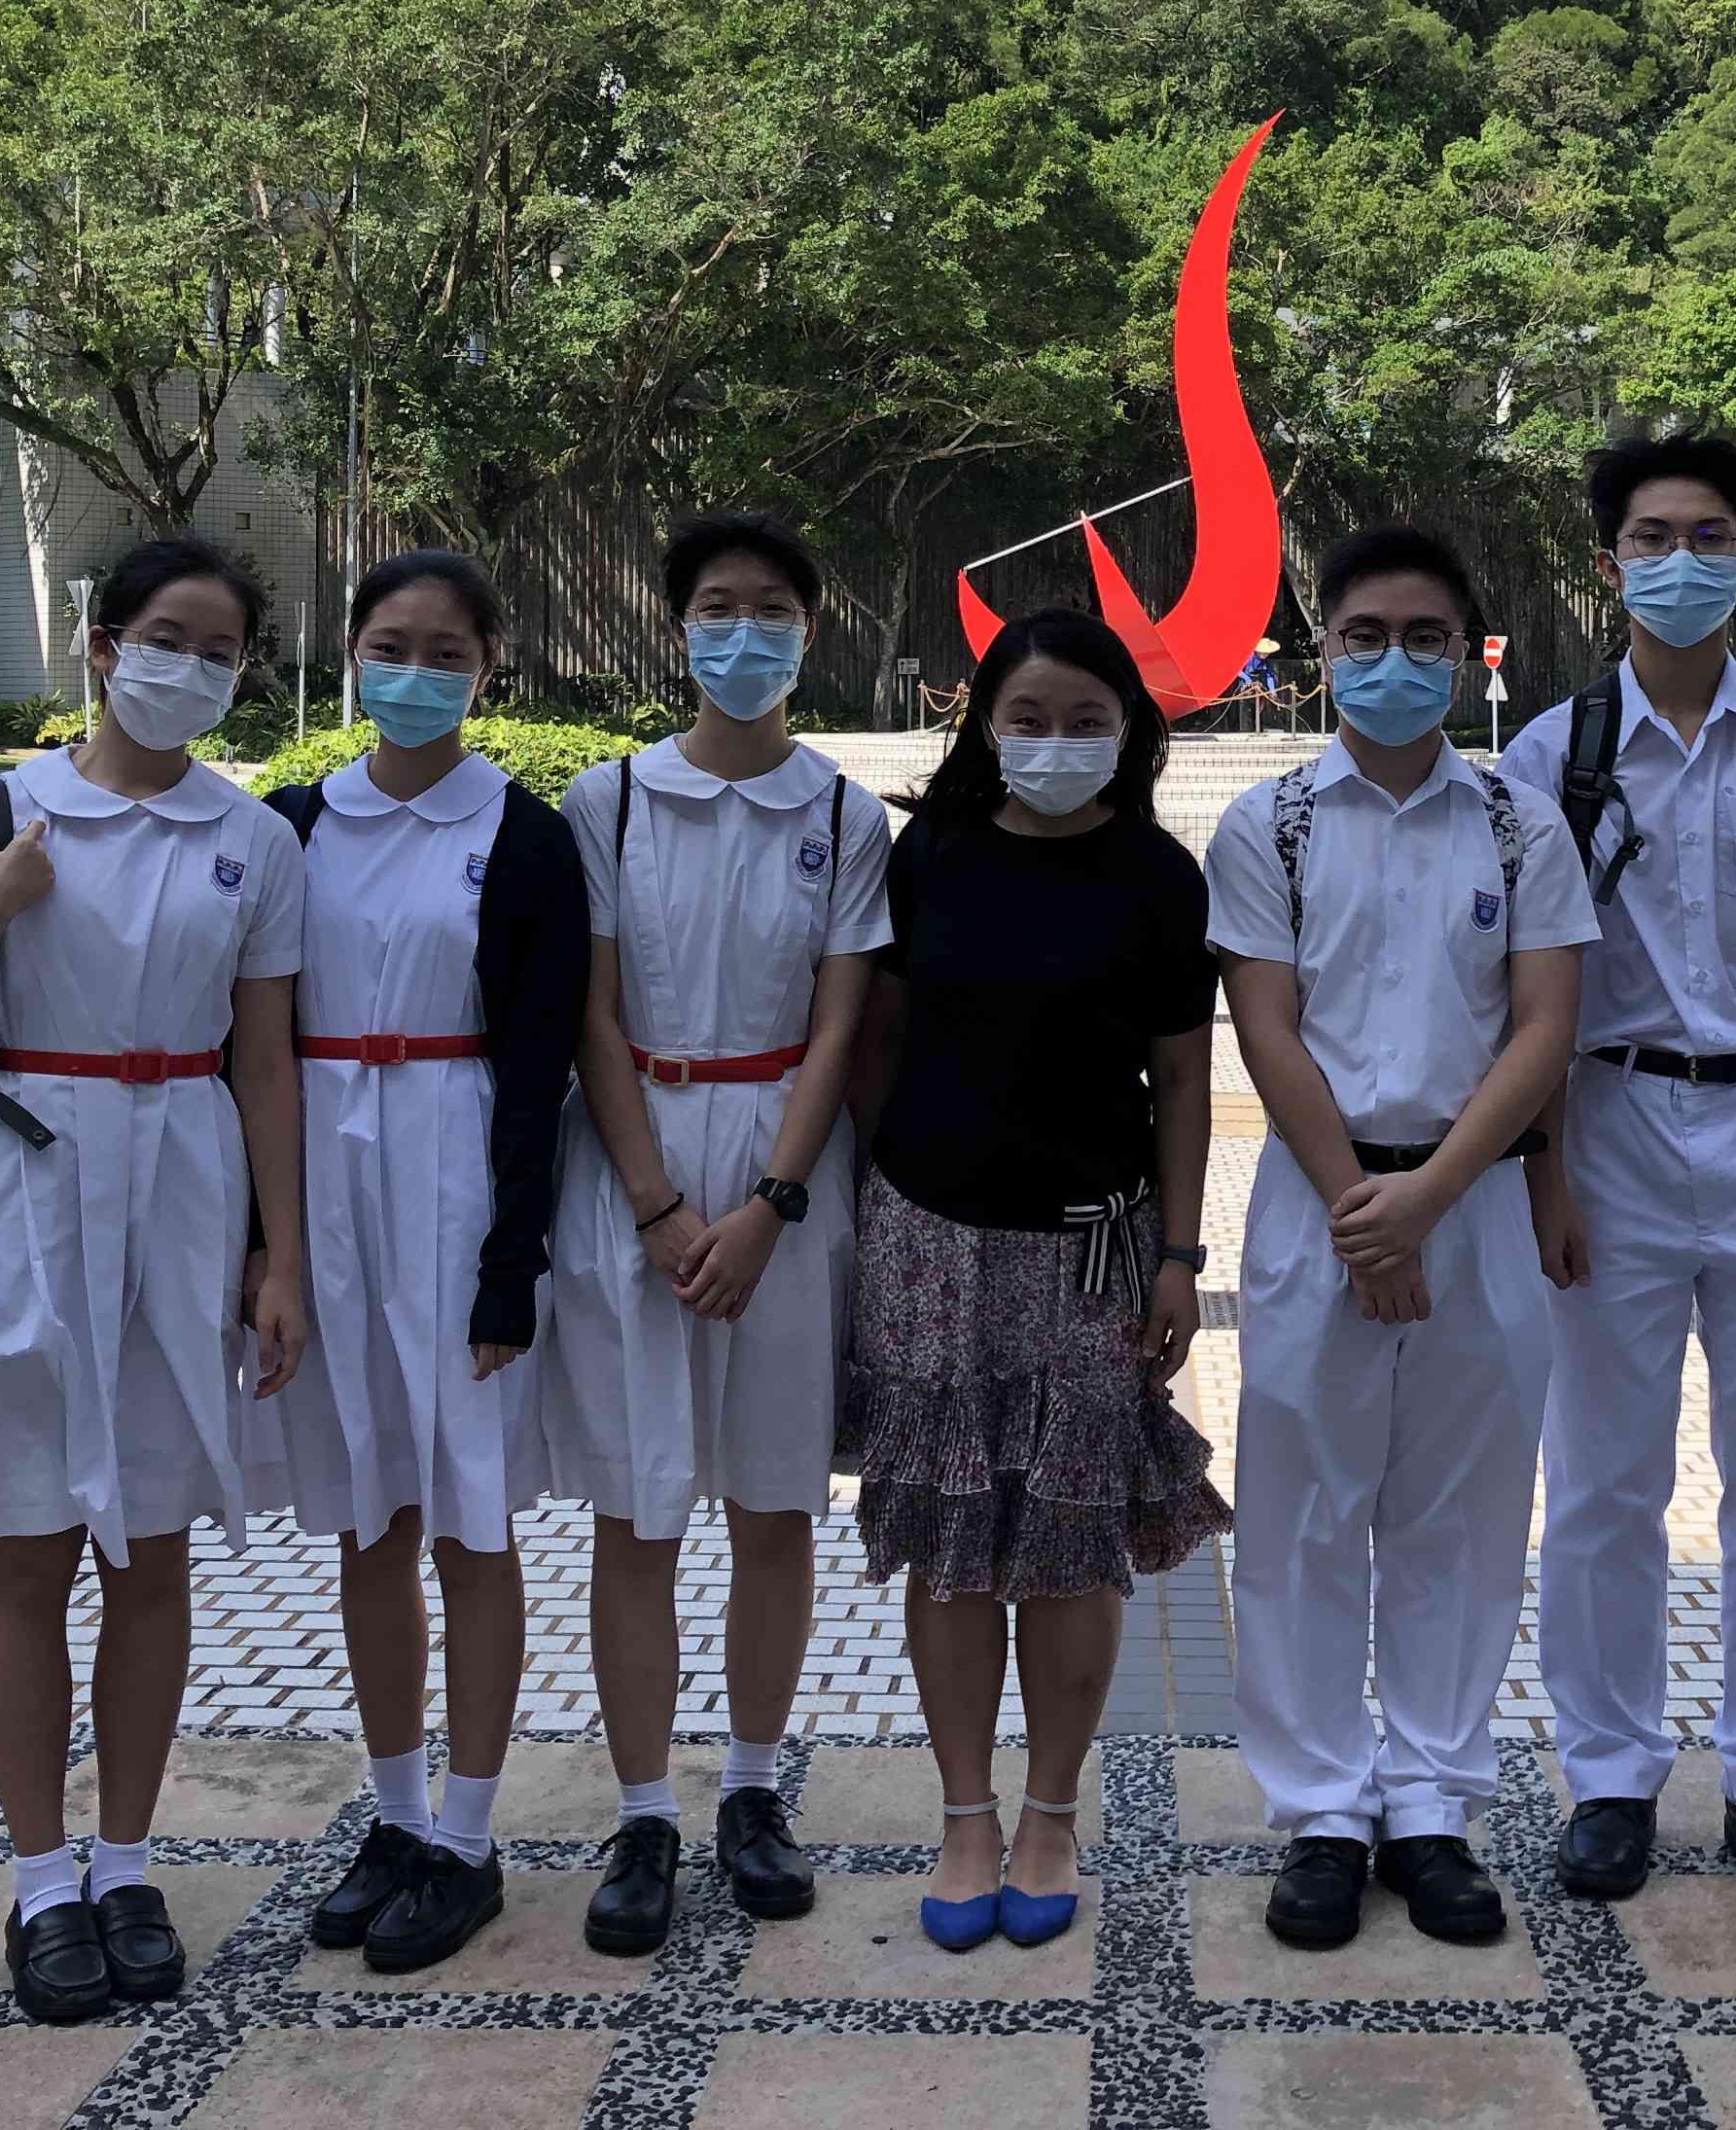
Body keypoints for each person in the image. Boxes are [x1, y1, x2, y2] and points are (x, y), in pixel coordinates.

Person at [0, 533, 307, 2026]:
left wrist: (279, 1256)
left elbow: (265, 1061)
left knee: (153, 1554)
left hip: (185, 1179)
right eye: (166, 638)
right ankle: (41, 1879)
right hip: (31, 1180)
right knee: (29, 1548)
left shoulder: (252, 837)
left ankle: (126, 1862)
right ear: (105, 646)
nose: (191, 668)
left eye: (221, 651)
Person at [1493, 433, 1736, 1913]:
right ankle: (1609, 1775)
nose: (1682, 561)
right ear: (1611, 566)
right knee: (1602, 1482)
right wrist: (1544, 1174)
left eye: (1710, 536)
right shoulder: (1552, 757)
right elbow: (1532, 991)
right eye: (1652, 537)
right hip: (1611, 1134)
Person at [1206, 523, 1594, 1951]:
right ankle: (1320, 1809)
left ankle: (1431, 1804)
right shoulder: (1270, 825)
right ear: (1323, 652)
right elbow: (1266, 1026)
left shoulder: (1518, 822)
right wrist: (1368, 1218)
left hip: (1471, 1204)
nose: (1394, 661)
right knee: (1303, 1516)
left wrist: (1431, 1197)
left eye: (1424, 637)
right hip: (1319, 1209)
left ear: (1467, 654)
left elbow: (1544, 1026)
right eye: (1365, 635)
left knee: (1462, 1518)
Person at [844, 605, 1230, 1953]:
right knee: (953, 1551)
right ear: (985, 726)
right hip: (931, 1240)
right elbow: (878, 1037)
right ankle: (966, 1815)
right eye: (1028, 719)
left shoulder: (1159, 878)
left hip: (1094, 1251)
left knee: (1070, 1546)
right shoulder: (932, 855)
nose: (1055, 742)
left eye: (1085, 721)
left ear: (1129, 732)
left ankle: (1051, 1813)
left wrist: (1180, 1256)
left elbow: (1183, 1079)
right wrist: (871, 1205)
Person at [541, 513, 889, 1957]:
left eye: (772, 611)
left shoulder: (844, 815)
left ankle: (751, 1790)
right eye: (717, 609)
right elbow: (591, 1010)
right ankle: (642, 1812)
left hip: (785, 1173)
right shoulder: (609, 800)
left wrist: (771, 1207)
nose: (744, 635)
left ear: (811, 631)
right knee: (637, 1512)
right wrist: (658, 1205)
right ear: (677, 628)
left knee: (773, 1505)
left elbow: (840, 1024)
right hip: (633, 1159)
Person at [258, 551, 591, 1975]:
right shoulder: (290, 825)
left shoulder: (522, 835)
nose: (415, 672)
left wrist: (513, 1259)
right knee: (366, 1515)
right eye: (390, 645)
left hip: (454, 1166)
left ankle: (467, 1831)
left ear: (486, 669)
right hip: (324, 1172)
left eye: (446, 652)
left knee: (470, 1518)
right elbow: (249, 1045)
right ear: (350, 652)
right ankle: (394, 1814)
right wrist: (266, 1244)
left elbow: (543, 1062)